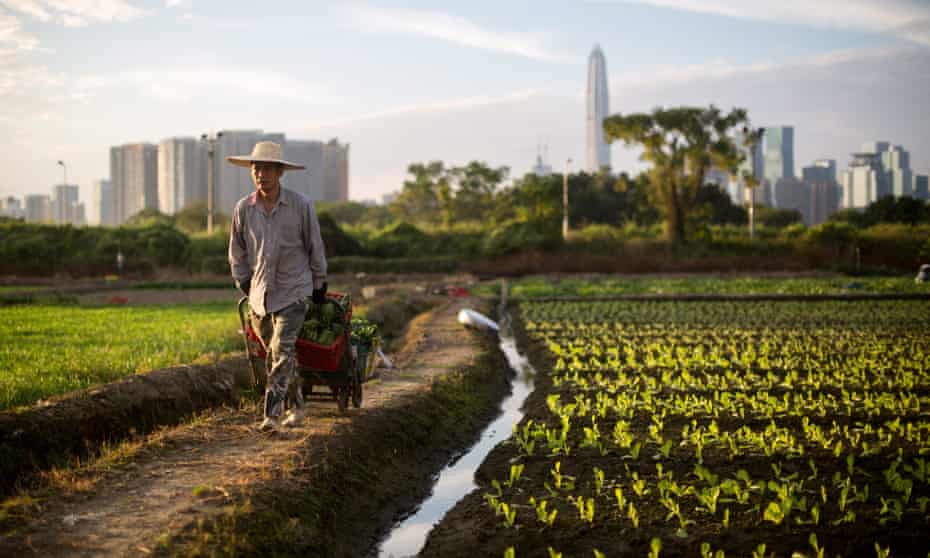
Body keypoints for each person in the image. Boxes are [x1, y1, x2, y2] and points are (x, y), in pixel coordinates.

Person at [227, 141, 327, 432]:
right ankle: (297, 406)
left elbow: (314, 246)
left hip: (294, 289)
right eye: (257, 169)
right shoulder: (243, 209)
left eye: (268, 169)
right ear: (251, 172)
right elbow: (237, 251)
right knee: (276, 354)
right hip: (259, 294)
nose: (261, 174)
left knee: (282, 349)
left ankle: (271, 415)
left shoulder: (301, 206)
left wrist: (319, 282)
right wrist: (242, 280)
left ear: (280, 172)